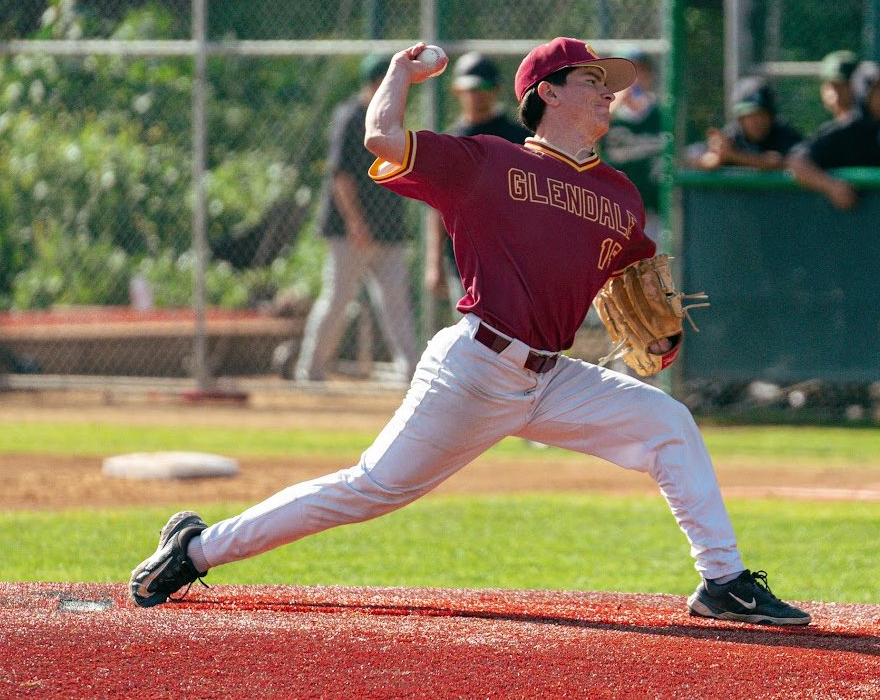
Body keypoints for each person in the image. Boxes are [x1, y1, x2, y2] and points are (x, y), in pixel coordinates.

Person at [129, 37, 810, 627]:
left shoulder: (621, 195)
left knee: (668, 423)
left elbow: (629, 284)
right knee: (369, 488)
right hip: (474, 367)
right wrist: (399, 71)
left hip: (551, 376)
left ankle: (723, 582)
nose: (609, 93)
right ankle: (195, 548)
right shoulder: (488, 162)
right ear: (547, 92)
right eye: (593, 81)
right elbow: (381, 137)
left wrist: (660, 337)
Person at [293, 53, 418, 383]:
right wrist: (355, 222)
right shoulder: (351, 117)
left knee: (397, 305)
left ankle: (412, 373)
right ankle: (312, 370)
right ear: (374, 83)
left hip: (389, 229)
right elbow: (340, 175)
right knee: (337, 301)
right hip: (350, 230)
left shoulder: (394, 118)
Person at [425, 52, 531, 306]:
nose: (477, 94)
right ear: (456, 90)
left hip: (513, 253)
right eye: (469, 87)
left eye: (484, 87)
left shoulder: (517, 137)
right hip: (464, 257)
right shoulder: (450, 143)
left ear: (495, 89)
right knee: (472, 330)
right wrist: (434, 263)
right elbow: (438, 207)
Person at [787, 61, 880, 209]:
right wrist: (832, 186)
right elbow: (796, 161)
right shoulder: (847, 130)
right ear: (864, 93)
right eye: (879, 88)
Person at [602, 49, 666, 246]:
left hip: (655, 216)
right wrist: (613, 107)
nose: (636, 79)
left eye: (642, 71)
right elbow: (585, 142)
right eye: (629, 74)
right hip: (613, 215)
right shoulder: (605, 117)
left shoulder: (662, 115)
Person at [690, 76, 803, 171]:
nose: (757, 121)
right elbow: (689, 156)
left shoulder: (784, 135)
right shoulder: (732, 136)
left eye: (762, 114)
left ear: (771, 116)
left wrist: (732, 156)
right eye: (750, 115)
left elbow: (776, 161)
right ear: (740, 118)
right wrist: (711, 158)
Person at [818, 49, 859, 121]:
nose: (836, 92)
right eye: (832, 85)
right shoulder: (828, 129)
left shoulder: (872, 128)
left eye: (843, 85)